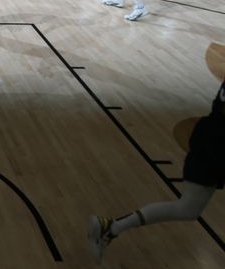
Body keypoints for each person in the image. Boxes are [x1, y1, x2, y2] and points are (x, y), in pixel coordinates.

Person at [88, 79, 225, 264]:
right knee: (187, 209)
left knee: (188, 210)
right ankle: (111, 227)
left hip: (210, 138)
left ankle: (111, 227)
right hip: (215, 147)